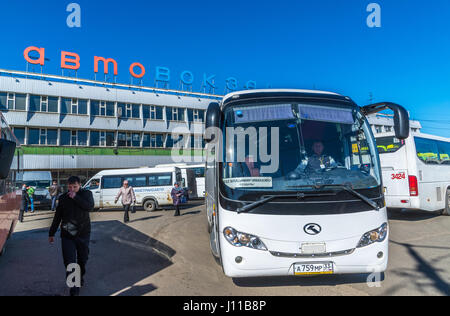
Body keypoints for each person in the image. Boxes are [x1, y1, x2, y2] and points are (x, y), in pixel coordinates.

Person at [48, 176, 94, 296]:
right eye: (70, 187)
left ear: (80, 185)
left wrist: (76, 197)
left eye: (75, 187)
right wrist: (51, 233)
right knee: (70, 262)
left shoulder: (86, 194)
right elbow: (58, 216)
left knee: (82, 260)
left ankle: (80, 276)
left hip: (83, 233)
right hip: (67, 235)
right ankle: (74, 290)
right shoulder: (63, 198)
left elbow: (89, 207)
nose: (72, 189)